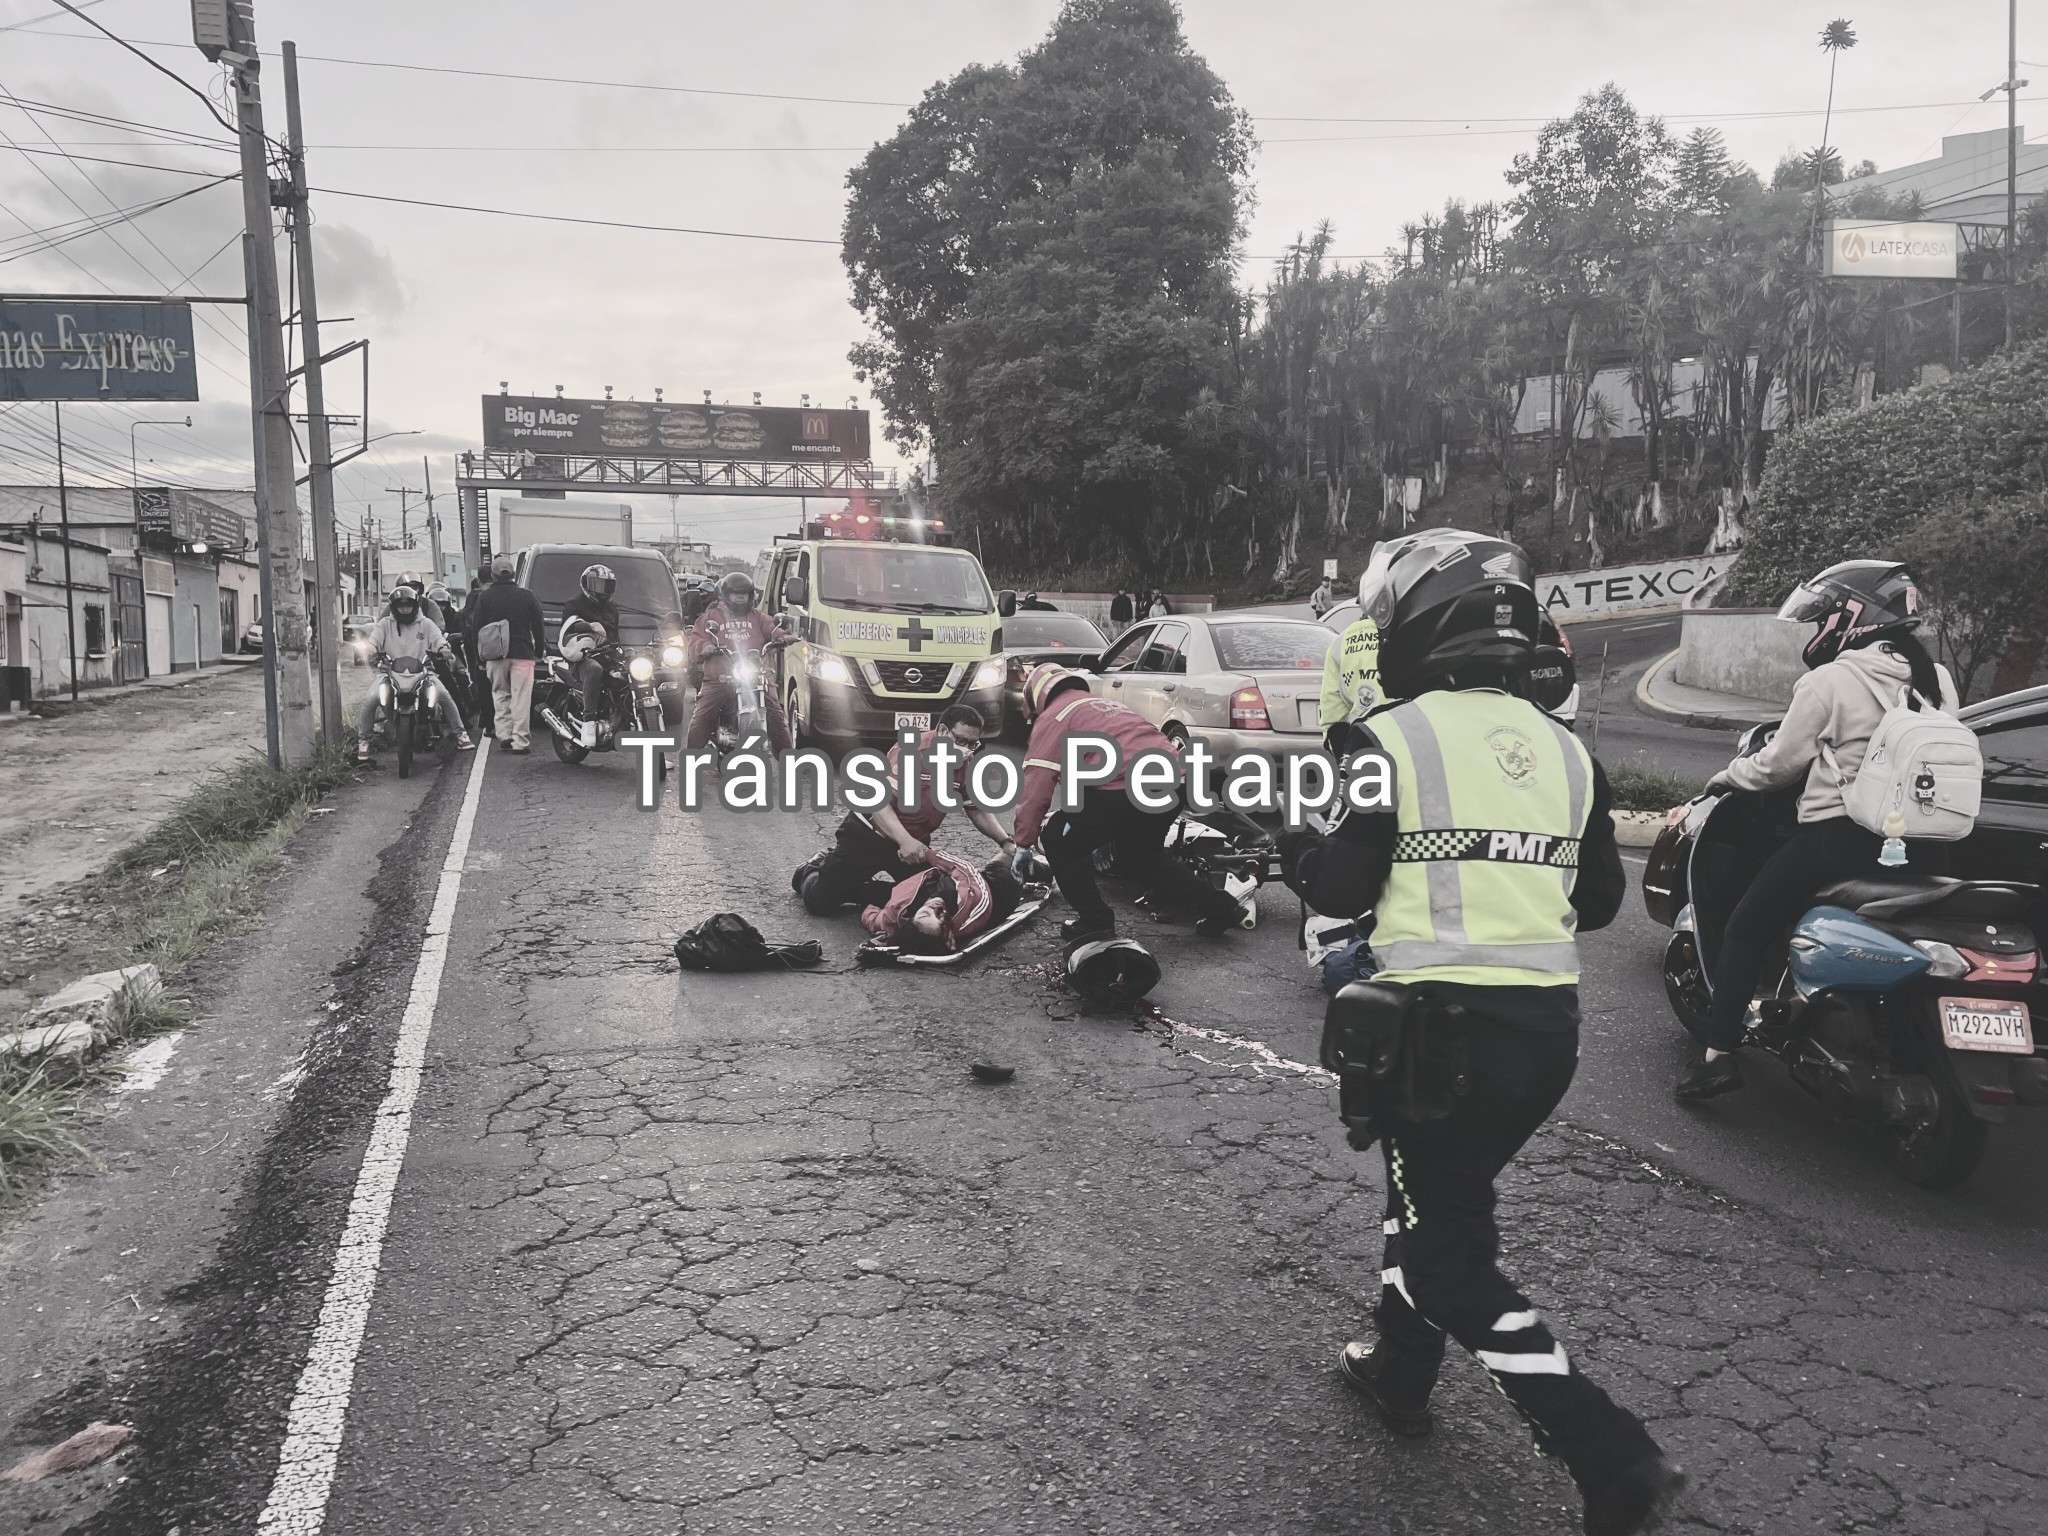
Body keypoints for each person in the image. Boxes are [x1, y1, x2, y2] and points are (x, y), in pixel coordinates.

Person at [1282, 528, 1682, 1536]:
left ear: (1418, 625)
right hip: (1542, 1035)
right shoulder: (1567, 750)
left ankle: (1607, 1453)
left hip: (1432, 1035)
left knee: (1443, 1260)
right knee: (1433, 1198)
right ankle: (1399, 1368)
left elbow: (1337, 885)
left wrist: (1293, 845)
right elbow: (1595, 902)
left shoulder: (1388, 737)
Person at [1675, 558, 1961, 1102]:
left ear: (1851, 617)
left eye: (1822, 618)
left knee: (1745, 925)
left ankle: (1717, 1055)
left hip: (1841, 841)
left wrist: (1723, 777)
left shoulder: (1831, 680)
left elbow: (1778, 764)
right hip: (1925, 845)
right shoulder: (1937, 680)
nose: (1818, 629)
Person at [1013, 663, 1247, 941]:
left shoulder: (1055, 716)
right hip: (1174, 782)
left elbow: (1037, 782)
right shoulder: (1103, 706)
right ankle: (1222, 909)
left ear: (1036, 697)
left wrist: (1024, 843)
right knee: (1142, 858)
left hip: (1129, 788)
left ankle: (1095, 922)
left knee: (1057, 839)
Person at [794, 704, 1017, 914]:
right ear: (942, 730)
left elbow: (976, 808)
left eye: (972, 744)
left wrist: (1005, 842)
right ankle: (814, 868)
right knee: (821, 902)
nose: (966, 749)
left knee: (927, 899)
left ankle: (855, 889)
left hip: (913, 842)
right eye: (961, 740)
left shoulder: (965, 761)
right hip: (869, 835)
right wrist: (905, 842)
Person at [354, 585, 473, 761]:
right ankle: (363, 741)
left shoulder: (426, 624)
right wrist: (370, 649)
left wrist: (443, 648)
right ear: (394, 607)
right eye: (401, 606)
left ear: (415, 606)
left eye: (408, 606)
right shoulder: (385, 625)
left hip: (424, 672)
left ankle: (461, 735)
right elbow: (373, 641)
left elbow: (438, 639)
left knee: (445, 695)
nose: (404, 609)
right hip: (389, 673)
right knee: (370, 699)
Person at [685, 572, 795, 754]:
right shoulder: (711, 617)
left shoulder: (758, 618)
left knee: (776, 714)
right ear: (726, 595)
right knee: (701, 717)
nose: (740, 598)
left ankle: (788, 761)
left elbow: (772, 630)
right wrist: (705, 646)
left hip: (755, 677)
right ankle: (691, 760)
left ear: (751, 596)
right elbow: (696, 640)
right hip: (719, 678)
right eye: (736, 594)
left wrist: (783, 637)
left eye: (744, 594)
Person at [861, 847, 1025, 954]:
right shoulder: (968, 905)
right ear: (946, 926)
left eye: (925, 914)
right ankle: (1039, 866)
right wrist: (932, 855)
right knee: (1009, 861)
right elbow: (967, 871)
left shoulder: (895, 915)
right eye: (939, 915)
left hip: (921, 883)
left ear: (911, 919)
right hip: (996, 890)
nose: (935, 907)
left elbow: (873, 920)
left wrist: (871, 914)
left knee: (863, 891)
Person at [467, 551, 547, 754]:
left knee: (500, 695)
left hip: (495, 655)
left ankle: (504, 734)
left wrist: (479, 658)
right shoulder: (527, 596)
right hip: (522, 653)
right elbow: (538, 624)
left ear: (493, 576)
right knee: (521, 698)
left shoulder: (485, 598)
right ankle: (520, 742)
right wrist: (538, 650)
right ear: (513, 575)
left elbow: (476, 629)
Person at [1319, 560, 1391, 754]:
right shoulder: (1410, 632)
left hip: (1360, 741)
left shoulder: (1341, 641)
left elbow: (1332, 708)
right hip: (1410, 737)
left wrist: (1337, 748)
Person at [559, 564, 625, 751]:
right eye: (597, 584)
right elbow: (569, 629)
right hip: (582, 657)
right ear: (586, 584)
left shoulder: (612, 608)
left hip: (608, 655)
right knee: (594, 670)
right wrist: (589, 626)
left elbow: (615, 636)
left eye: (606, 585)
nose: (601, 590)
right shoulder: (574, 605)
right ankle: (589, 722)